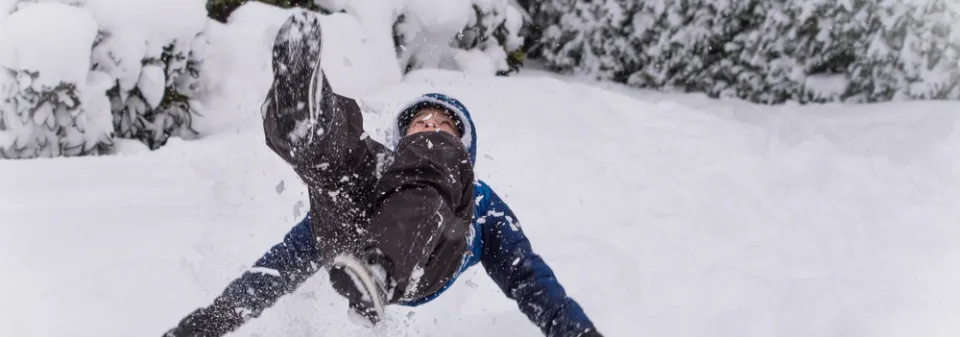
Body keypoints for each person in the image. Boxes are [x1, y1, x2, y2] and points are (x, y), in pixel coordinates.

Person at [163, 10, 602, 337]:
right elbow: (284, 263)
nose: (428, 126)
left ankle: (378, 268)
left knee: (426, 163)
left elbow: (531, 280)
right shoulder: (383, 169)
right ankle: (305, 123)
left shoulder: (481, 204)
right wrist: (210, 322)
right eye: (418, 123)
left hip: (426, 258)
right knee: (348, 165)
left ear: (466, 147)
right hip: (355, 242)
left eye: (443, 125)